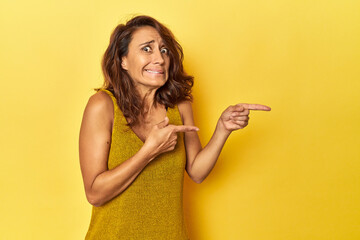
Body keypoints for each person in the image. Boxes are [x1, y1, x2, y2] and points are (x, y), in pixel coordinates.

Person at [79, 15, 271, 240]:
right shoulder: (102, 105)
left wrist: (223, 129)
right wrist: (149, 152)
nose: (159, 58)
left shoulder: (179, 104)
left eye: (163, 50)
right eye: (146, 49)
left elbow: (197, 172)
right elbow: (95, 193)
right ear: (123, 60)